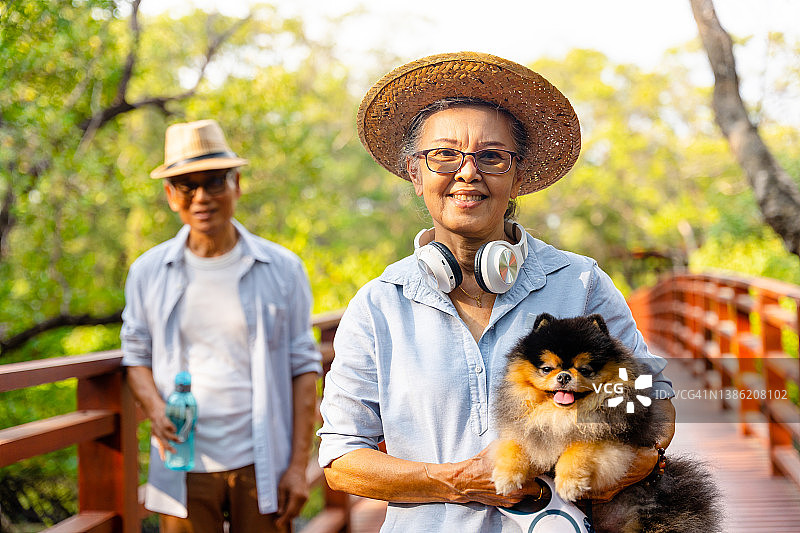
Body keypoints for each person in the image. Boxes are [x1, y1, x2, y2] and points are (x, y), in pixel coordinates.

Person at [317, 52, 676, 531]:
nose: (468, 173)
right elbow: (342, 460)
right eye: (444, 154)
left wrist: (635, 463)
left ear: (517, 175)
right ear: (415, 172)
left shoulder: (580, 283)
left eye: (491, 157)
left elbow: (654, 405)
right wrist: (456, 480)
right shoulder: (378, 304)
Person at [121, 119, 321, 533]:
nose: (200, 198)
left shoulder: (282, 269)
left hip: (262, 460)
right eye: (185, 186)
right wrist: (155, 409)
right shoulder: (148, 272)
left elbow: (304, 369)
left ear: (236, 184)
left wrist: (299, 467)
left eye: (213, 182)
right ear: (169, 195)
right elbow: (135, 356)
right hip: (182, 461)